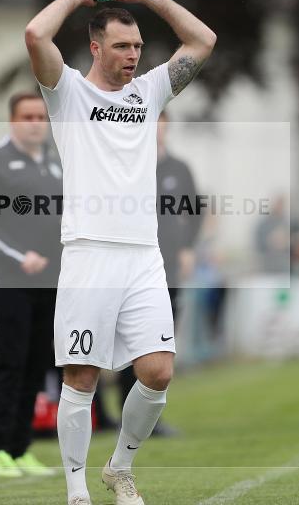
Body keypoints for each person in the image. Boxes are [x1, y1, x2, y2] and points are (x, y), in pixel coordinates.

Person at [25, 0, 216, 505]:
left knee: (157, 373)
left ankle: (120, 468)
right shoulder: (66, 93)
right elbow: (35, 34)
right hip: (88, 253)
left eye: (137, 47)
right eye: (121, 47)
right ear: (95, 47)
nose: (133, 55)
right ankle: (76, 490)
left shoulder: (149, 92)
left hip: (143, 256)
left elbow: (202, 41)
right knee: (82, 377)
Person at [0, 92, 63, 478]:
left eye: (41, 116)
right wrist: (18, 256)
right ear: (13, 120)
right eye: (27, 116)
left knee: (37, 363)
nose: (35, 123)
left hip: (49, 280)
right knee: (9, 360)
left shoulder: (54, 164)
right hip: (5, 279)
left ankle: (21, 449)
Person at [116, 109, 201, 434]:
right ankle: (122, 415)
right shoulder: (126, 165)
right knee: (127, 342)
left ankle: (149, 419)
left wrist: (188, 247)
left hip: (168, 268)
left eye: (160, 126)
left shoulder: (179, 169)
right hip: (131, 266)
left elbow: (194, 212)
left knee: (160, 345)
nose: (156, 131)